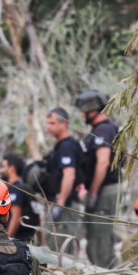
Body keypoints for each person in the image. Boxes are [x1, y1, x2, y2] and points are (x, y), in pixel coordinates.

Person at [74, 89, 122, 268]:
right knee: (95, 238)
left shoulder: (104, 129)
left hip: (104, 190)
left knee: (101, 239)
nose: (81, 114)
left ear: (92, 108)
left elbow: (103, 163)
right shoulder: (99, 130)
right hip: (101, 189)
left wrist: (92, 193)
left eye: (83, 110)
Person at [44, 107, 85, 254]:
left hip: (65, 204)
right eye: (48, 123)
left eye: (53, 123)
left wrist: (60, 203)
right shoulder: (60, 146)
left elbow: (69, 175)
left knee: (61, 249)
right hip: (57, 202)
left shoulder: (67, 146)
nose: (49, 127)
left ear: (64, 123)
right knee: (53, 245)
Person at [0, 154, 41, 242]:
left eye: (3, 167)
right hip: (30, 240)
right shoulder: (27, 188)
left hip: (19, 240)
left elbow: (16, 216)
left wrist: (6, 241)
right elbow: (38, 218)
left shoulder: (14, 189)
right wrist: (42, 243)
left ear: (12, 168)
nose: (0, 171)